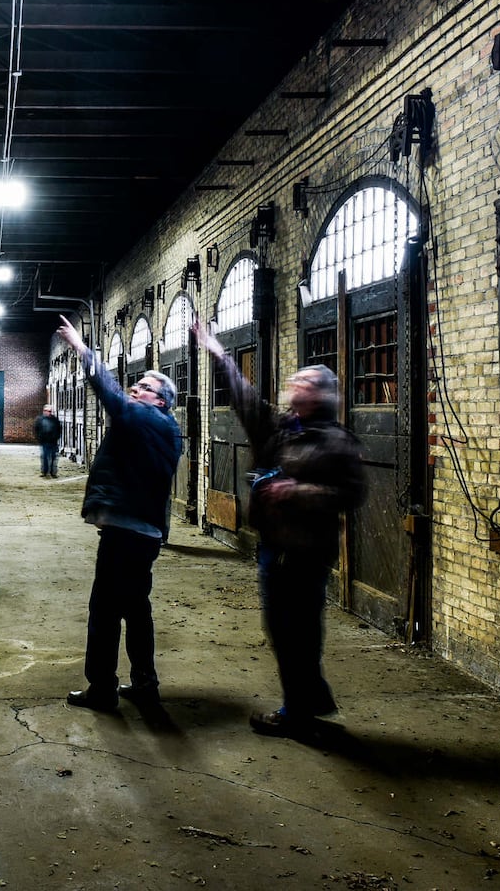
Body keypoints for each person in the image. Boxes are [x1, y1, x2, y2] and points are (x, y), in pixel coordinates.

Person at [192, 318, 365, 736]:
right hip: (276, 546)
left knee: (296, 630)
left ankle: (297, 713)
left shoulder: (335, 441)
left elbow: (351, 493)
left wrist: (296, 491)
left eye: (304, 380)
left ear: (321, 395)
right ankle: (309, 701)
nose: (294, 382)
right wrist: (218, 355)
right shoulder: (283, 427)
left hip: (306, 550)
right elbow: (246, 400)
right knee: (286, 629)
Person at [55, 314, 183, 712]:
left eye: (144, 388)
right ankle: (145, 683)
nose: (135, 388)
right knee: (136, 608)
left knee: (105, 611)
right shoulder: (167, 428)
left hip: (125, 533)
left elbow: (109, 394)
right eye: (137, 383)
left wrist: (81, 348)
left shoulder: (144, 418)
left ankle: (102, 690)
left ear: (160, 401)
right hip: (144, 533)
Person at [33, 404, 62, 478]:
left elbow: (59, 430)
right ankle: (45, 472)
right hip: (44, 442)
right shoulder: (39, 420)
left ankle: (53, 472)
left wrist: (56, 438)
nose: (47, 412)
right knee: (45, 457)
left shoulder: (55, 420)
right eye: (46, 411)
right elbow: (36, 430)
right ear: (43, 411)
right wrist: (39, 438)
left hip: (53, 442)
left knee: (53, 457)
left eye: (49, 411)